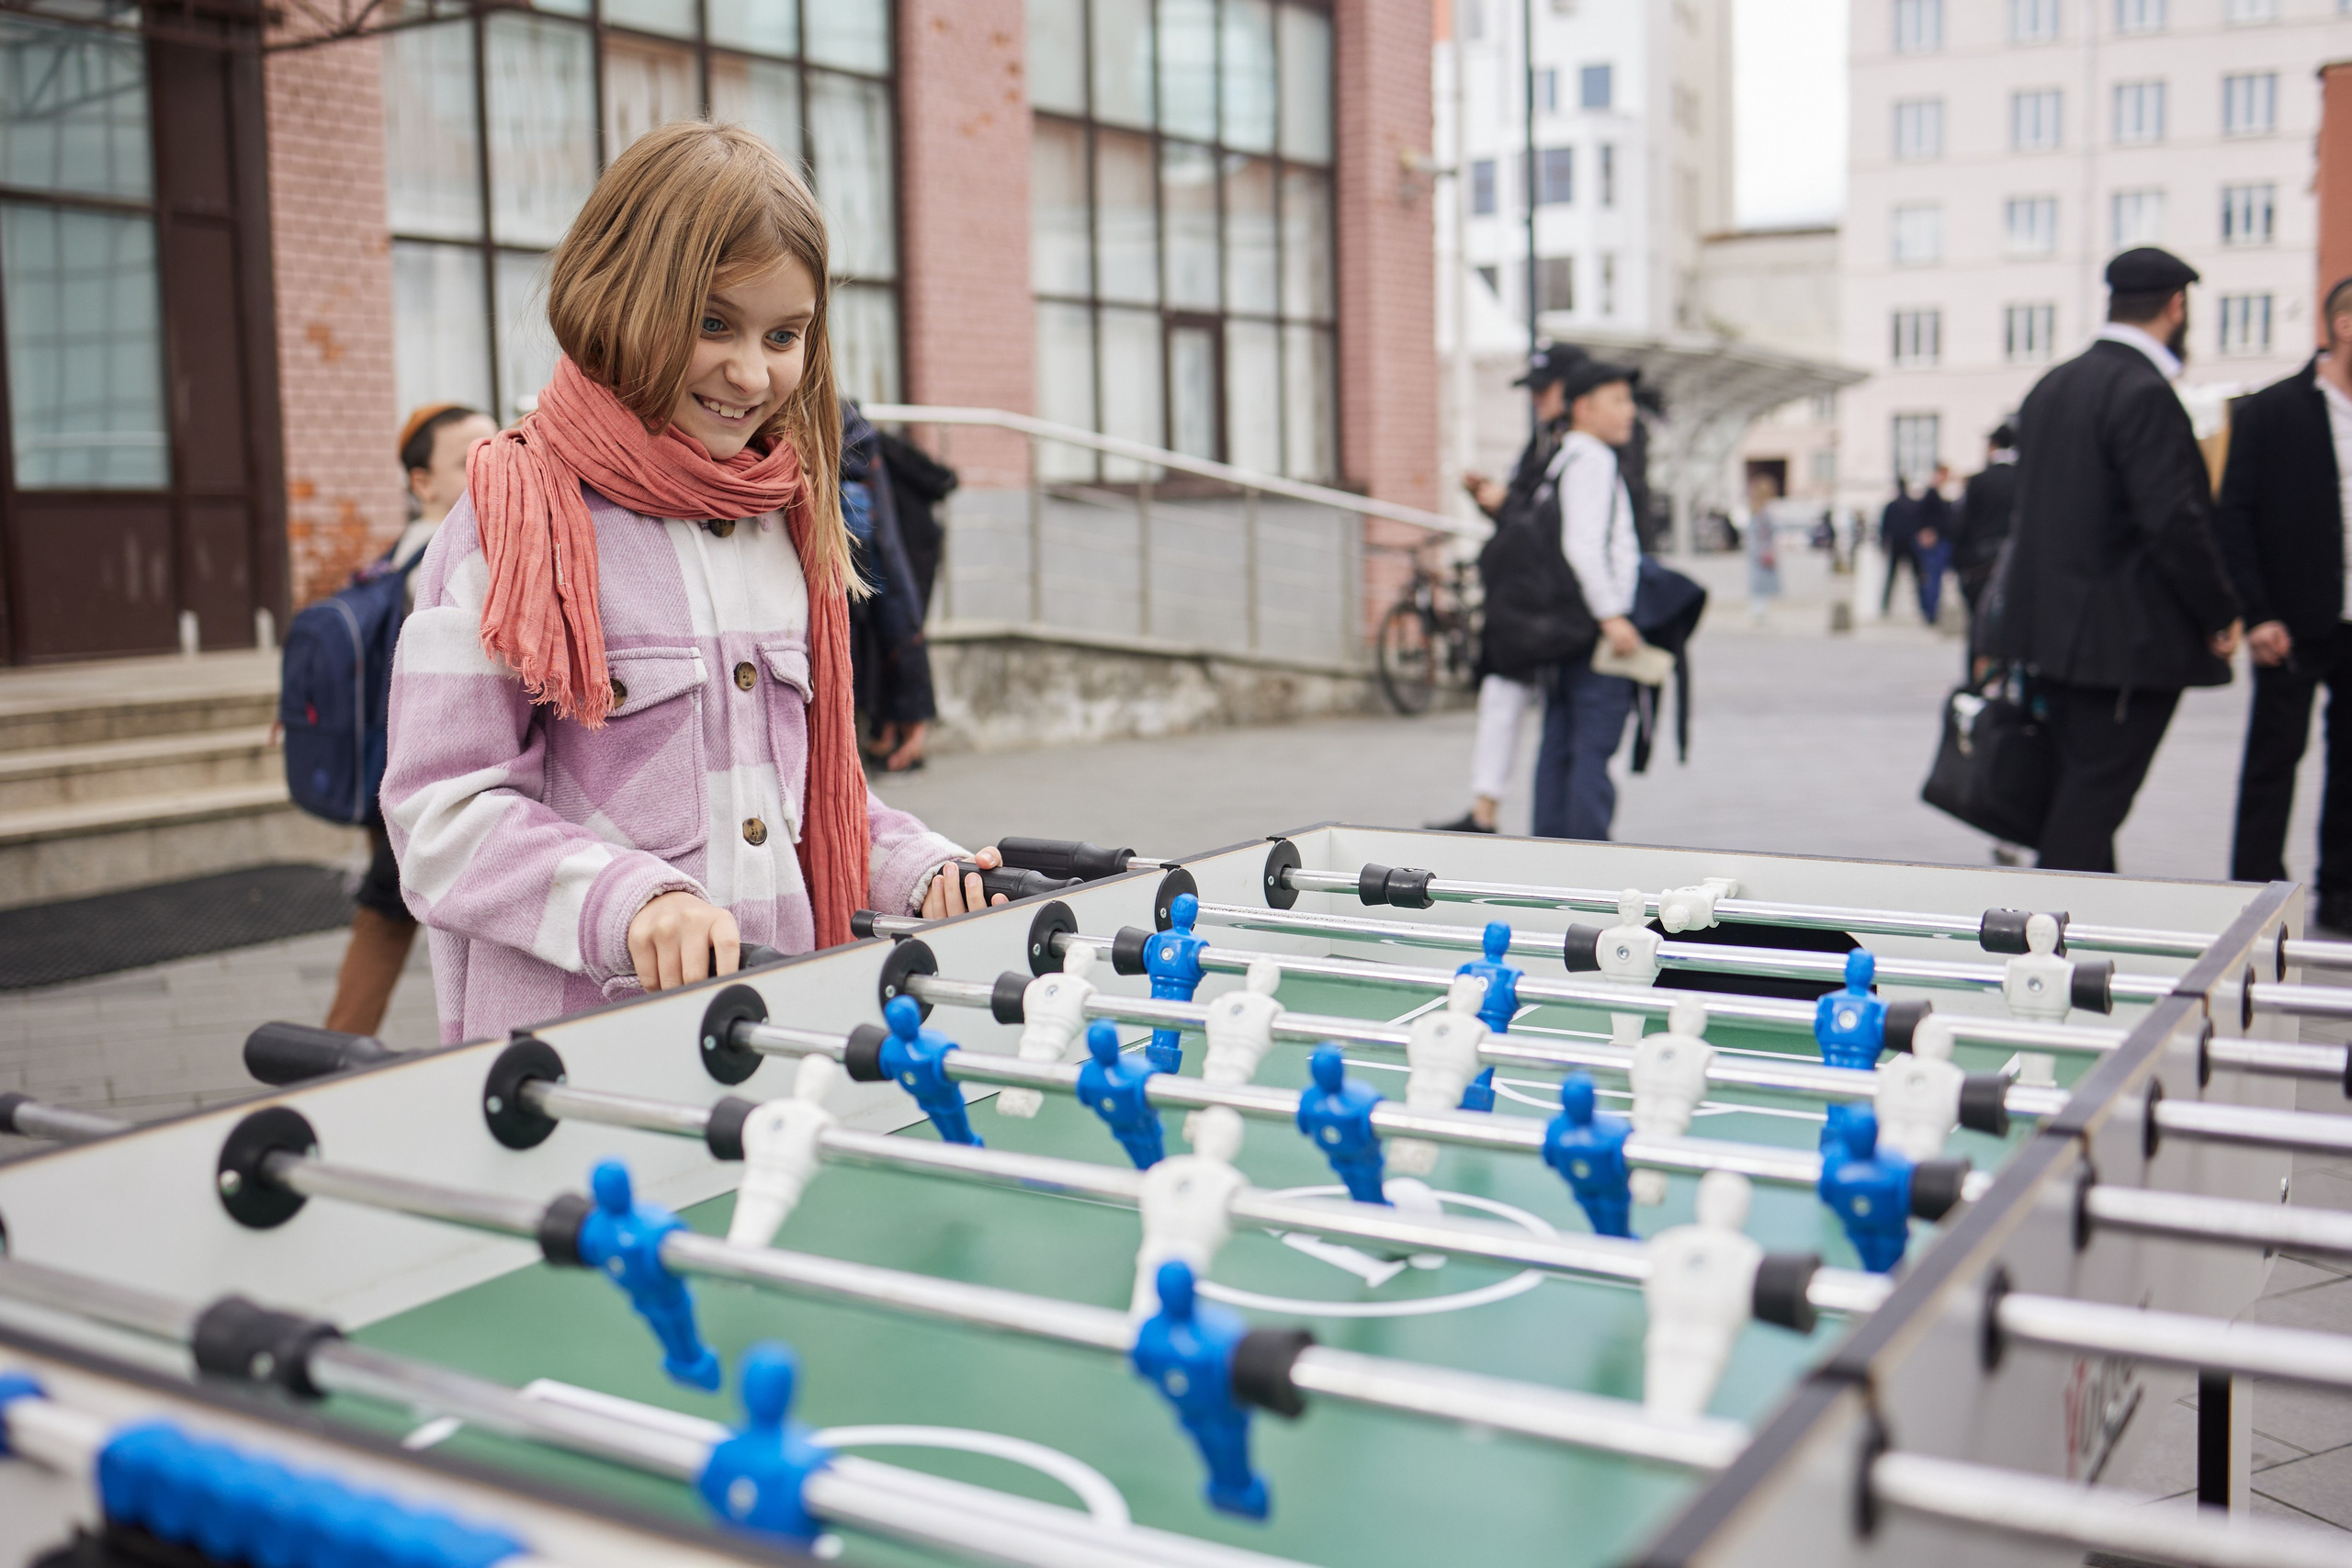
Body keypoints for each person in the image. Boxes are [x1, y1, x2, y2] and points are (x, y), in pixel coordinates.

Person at [380, 122, 1004, 1043]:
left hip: (782, 1042)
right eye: (713, 322)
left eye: (783, 335)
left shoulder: (784, 518)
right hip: (578, 1068)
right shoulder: (510, 517)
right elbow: (440, 819)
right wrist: (628, 904)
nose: (751, 372)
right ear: (616, 298)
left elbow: (810, 798)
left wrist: (919, 869)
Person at [1986, 246, 2243, 873]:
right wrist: (2220, 611)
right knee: (2091, 802)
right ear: (2176, 306)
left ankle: (2074, 944)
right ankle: (2046, 945)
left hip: (2051, 635)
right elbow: (2171, 520)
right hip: (2122, 644)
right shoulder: (2143, 390)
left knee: (2079, 794)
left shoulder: (2053, 384)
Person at [322, 402, 497, 1037]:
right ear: (422, 483)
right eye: (470, 455)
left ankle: (337, 1046)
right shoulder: (443, 559)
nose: (495, 457)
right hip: (426, 776)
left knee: (388, 913)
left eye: (498, 441)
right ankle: (335, 1052)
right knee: (388, 914)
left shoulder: (396, 554)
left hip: (389, 768)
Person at [2218, 276, 2352, 930]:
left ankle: (2343, 896)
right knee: (2273, 761)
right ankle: (2252, 897)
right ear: (2345, 324)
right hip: (2291, 622)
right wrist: (2258, 612)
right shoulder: (2273, 410)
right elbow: (2234, 516)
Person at [1430, 342, 1581, 834]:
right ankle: (1487, 809)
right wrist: (1492, 499)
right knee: (1504, 698)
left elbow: (1554, 524)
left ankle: (1539, 823)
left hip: (1555, 603)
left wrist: (1506, 503)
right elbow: (1529, 516)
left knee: (1562, 721)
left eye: (1546, 389)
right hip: (1524, 601)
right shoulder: (1544, 441)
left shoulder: (1583, 449)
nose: (1538, 399)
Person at [1531, 356, 1645, 840]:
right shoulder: (1593, 460)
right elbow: (1583, 544)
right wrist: (1613, 615)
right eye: (1617, 400)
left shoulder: (1562, 457)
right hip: (1594, 632)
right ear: (1582, 407)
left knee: (1561, 745)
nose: (1630, 412)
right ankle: (1589, 861)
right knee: (1594, 750)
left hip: (1565, 630)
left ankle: (1553, 855)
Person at [841, 400, 937, 773]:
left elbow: (889, 577)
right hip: (884, 553)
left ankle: (895, 731)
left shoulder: (850, 442)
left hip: (873, 549)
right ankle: (891, 729)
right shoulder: (857, 440)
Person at [1952, 424, 2018, 630]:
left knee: (1979, 624)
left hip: (1981, 562)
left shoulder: (1979, 480)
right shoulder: (2023, 478)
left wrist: (1958, 561)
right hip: (2016, 560)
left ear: (1992, 446)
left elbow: (1964, 521)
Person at [1912, 463, 1954, 625]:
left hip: (1941, 541)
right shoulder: (1932, 494)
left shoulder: (1940, 494)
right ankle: (1931, 613)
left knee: (1933, 578)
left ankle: (1931, 612)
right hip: (1936, 543)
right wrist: (1926, 532)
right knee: (1932, 578)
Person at [1877, 478, 1921, 619]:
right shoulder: (1912, 504)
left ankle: (1885, 606)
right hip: (1909, 544)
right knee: (1915, 577)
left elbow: (1885, 529)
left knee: (1892, 577)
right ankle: (1921, 606)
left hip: (1898, 544)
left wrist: (1884, 545)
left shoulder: (1893, 506)